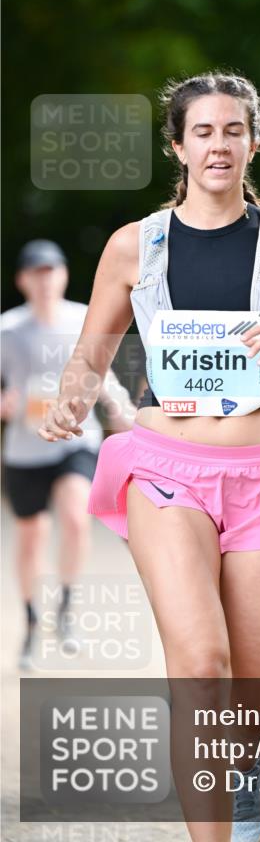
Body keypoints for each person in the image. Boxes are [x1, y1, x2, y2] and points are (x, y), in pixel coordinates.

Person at [38, 71, 260, 841]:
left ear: (253, 142)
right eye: (202, 132)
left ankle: (244, 758)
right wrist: (68, 404)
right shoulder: (133, 247)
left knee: (257, 703)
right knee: (200, 667)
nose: (217, 145)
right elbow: (89, 361)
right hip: (165, 469)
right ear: (178, 146)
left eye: (232, 131)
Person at [1, 240, 135, 669]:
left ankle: (67, 609)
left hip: (76, 438)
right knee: (31, 538)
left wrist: (121, 410)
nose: (45, 280)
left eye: (52, 271)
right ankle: (30, 620)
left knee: (77, 519)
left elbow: (102, 371)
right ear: (23, 280)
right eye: (36, 273)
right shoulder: (7, 330)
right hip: (24, 448)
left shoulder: (83, 318)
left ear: (62, 276)